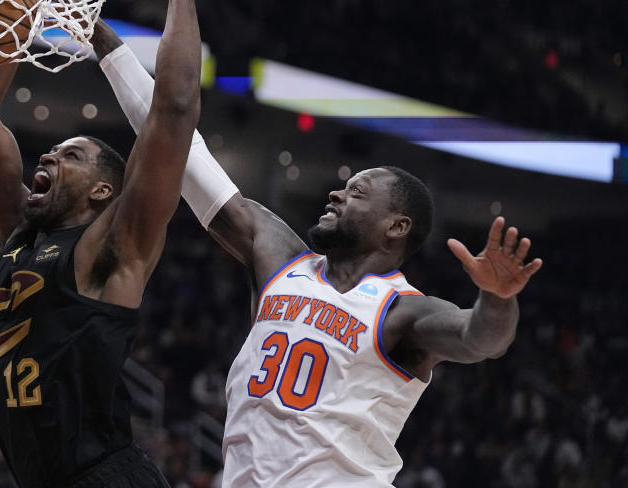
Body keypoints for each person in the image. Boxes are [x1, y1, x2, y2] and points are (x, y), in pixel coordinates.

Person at [94, 39, 544, 486]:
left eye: (358, 192)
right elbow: (182, 149)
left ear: (397, 226)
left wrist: (497, 297)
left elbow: (480, 339)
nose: (336, 193)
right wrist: (102, 40)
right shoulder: (279, 259)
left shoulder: (402, 310)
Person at [0, 0, 199, 488]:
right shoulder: (18, 233)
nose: (47, 158)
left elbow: (176, 107)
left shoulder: (112, 249)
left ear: (104, 191)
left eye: (71, 156)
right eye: (53, 151)